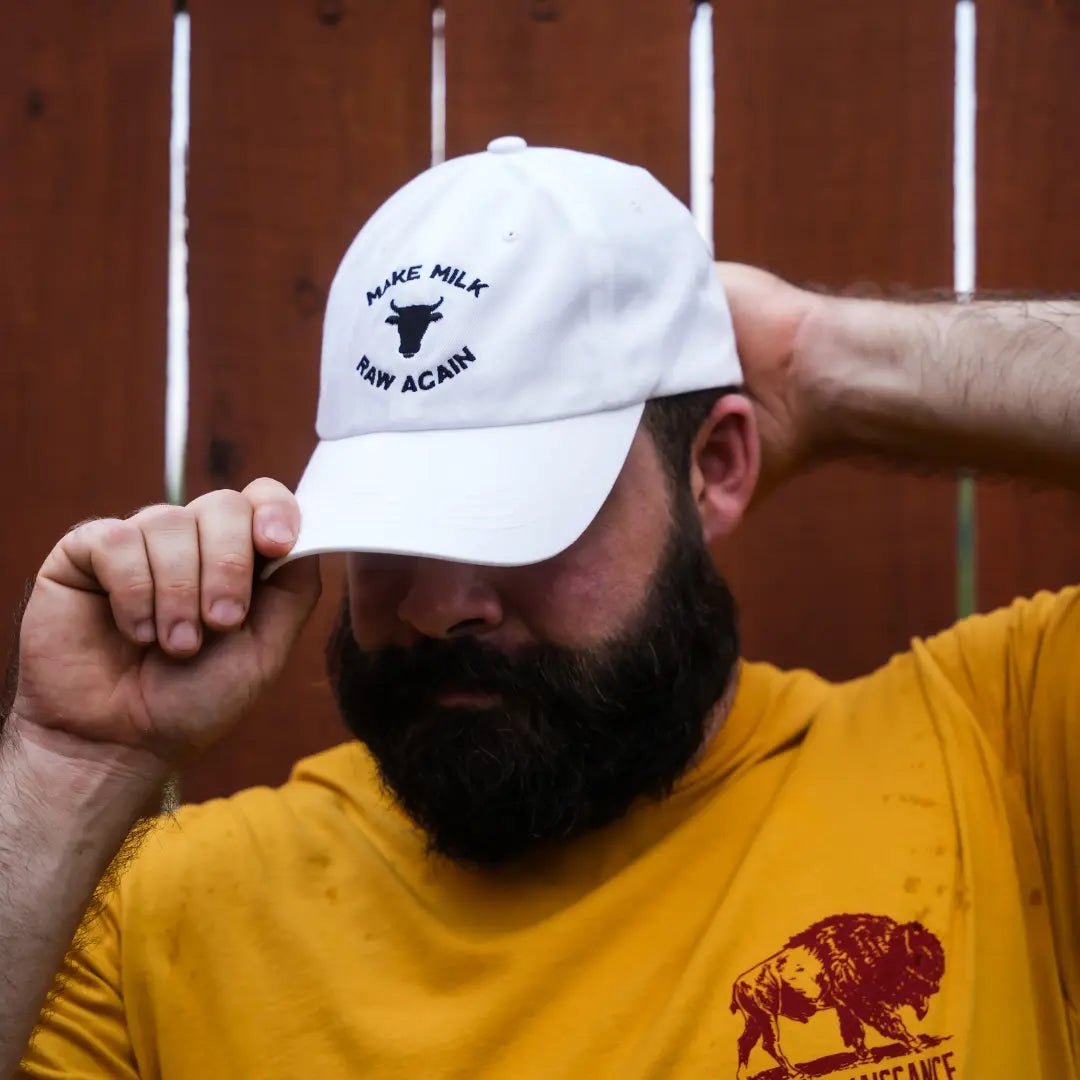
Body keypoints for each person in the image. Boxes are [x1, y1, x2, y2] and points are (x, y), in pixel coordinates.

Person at [2, 138, 1077, 1080]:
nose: (439, 607)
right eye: (391, 522)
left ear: (716, 466)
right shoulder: (168, 921)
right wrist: (69, 767)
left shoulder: (999, 758)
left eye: (521, 518)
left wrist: (815, 356)